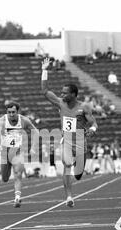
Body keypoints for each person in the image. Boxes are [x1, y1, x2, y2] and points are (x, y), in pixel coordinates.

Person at [41, 57, 98, 207]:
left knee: (78, 174)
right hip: (66, 140)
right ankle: (69, 197)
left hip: (80, 141)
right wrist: (44, 71)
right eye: (62, 92)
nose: (62, 94)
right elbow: (45, 91)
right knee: (66, 166)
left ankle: (77, 172)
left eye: (65, 93)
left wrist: (92, 129)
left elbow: (93, 122)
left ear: (73, 94)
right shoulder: (60, 103)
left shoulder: (84, 107)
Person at [0, 101, 38, 207]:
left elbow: (35, 131)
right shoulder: (2, 121)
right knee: (5, 178)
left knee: (18, 174)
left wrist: (33, 147)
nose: (11, 115)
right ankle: (6, 175)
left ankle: (17, 198)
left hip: (17, 152)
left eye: (13, 112)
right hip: (4, 152)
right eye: (9, 112)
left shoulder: (24, 120)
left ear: (18, 111)